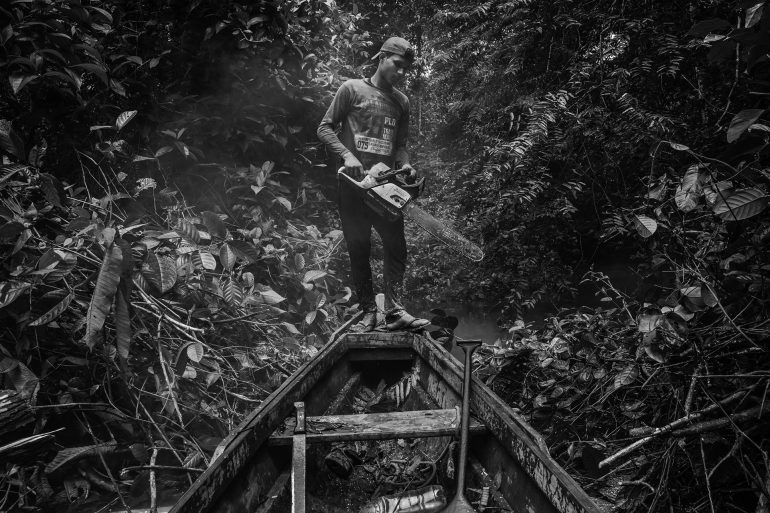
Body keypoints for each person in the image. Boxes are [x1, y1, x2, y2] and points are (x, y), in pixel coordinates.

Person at [317, 36, 430, 332]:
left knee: (397, 247)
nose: (401, 72)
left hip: (384, 189)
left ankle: (394, 311)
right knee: (359, 249)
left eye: (406, 68)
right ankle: (368, 311)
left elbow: (400, 146)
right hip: (353, 186)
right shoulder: (351, 89)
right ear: (382, 58)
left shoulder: (402, 101)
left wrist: (405, 164)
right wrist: (347, 155)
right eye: (397, 64)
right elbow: (324, 128)